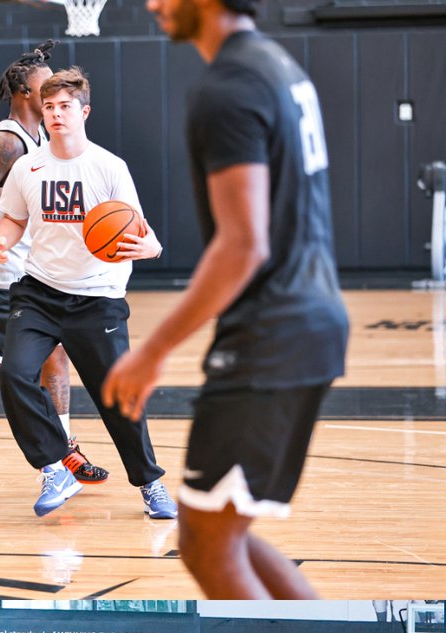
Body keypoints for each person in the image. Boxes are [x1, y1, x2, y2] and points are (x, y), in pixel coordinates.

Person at [102, 0, 348, 598]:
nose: (153, 5)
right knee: (212, 537)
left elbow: (243, 244)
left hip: (273, 334)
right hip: (308, 320)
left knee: (209, 547)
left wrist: (152, 350)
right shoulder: (279, 65)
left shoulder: (228, 85)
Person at [0, 67, 176, 519]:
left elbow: (137, 229)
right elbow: (13, 218)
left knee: (117, 398)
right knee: (14, 374)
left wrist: (153, 247)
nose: (55, 114)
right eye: (48, 107)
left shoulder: (110, 167)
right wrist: (4, 240)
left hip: (98, 298)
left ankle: (150, 484)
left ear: (84, 112)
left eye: (65, 107)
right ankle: (55, 467)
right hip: (38, 293)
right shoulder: (26, 166)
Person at [0, 41, 108, 506]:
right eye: (43, 83)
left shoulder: (38, 141)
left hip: (27, 275)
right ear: (23, 91)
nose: (51, 86)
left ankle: (64, 448)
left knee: (55, 359)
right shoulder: (6, 140)